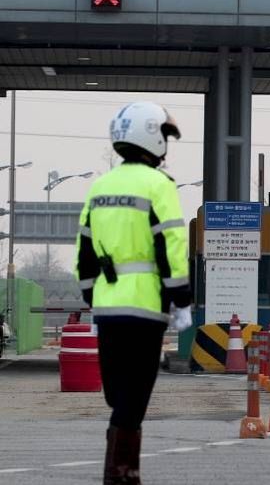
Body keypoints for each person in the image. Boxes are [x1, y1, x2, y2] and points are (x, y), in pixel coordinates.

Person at [75, 101, 193, 483]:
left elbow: (85, 249)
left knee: (117, 394)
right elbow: (171, 244)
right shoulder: (158, 185)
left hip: (108, 308)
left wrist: (92, 295)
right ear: (152, 137)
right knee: (134, 396)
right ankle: (122, 474)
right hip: (144, 309)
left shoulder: (100, 186)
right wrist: (181, 299)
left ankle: (121, 471)